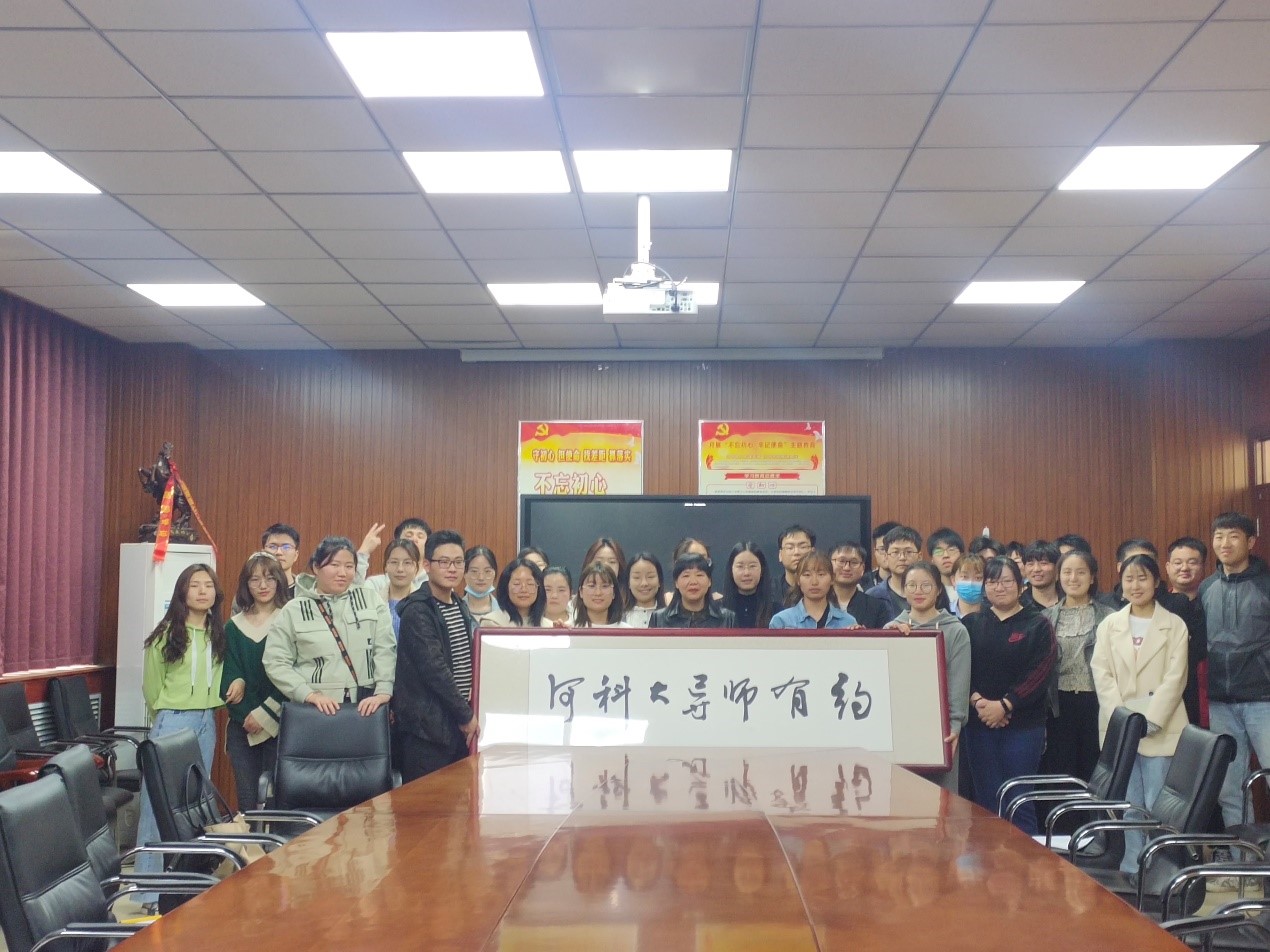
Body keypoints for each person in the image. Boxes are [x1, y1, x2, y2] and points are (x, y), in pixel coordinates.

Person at [1091, 554, 1189, 876]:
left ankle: (1162, 871)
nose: (1136, 585)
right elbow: (1101, 673)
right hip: (1121, 728)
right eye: (1129, 579)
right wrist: (1123, 720)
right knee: (1130, 804)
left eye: (1143, 578)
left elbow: (1176, 678)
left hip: (1161, 727)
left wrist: (1150, 721)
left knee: (1159, 804)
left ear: (1156, 582)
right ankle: (1133, 868)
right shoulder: (1109, 625)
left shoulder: (1174, 625)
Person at [134, 563, 228, 892]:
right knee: (156, 802)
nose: (202, 591)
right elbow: (151, 687)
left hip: (206, 720)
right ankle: (147, 886)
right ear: (182, 592)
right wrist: (166, 715)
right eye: (195, 585)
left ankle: (188, 878)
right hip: (173, 719)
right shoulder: (166, 633)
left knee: (195, 801)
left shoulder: (219, 633)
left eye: (208, 585)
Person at [962, 557, 1057, 834]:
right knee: (986, 801)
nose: (999, 587)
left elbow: (1040, 672)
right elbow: (960, 669)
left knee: (1019, 800)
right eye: (992, 581)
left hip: (1023, 726)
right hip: (979, 724)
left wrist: (1005, 705)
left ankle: (1026, 859)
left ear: (1020, 586)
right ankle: (989, 858)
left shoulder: (1038, 624)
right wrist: (979, 702)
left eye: (1006, 581)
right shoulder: (971, 623)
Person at [263, 536, 395, 716]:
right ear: (316, 567)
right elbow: (275, 661)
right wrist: (307, 694)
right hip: (314, 709)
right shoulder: (294, 609)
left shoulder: (371, 599)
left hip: (365, 707)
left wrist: (383, 691)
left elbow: (385, 648)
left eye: (349, 566)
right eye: (334, 565)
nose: (342, 573)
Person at [1200, 512, 1270, 832]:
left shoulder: (1266, 584)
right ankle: (1242, 859)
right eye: (1219, 536)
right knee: (1230, 789)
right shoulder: (1206, 588)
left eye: (1233, 536)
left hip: (1263, 699)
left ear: (1250, 542)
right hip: (1220, 702)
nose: (1224, 543)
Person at [394, 530, 480, 781]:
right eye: (443, 562)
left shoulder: (459, 604)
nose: (452, 568)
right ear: (427, 565)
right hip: (427, 731)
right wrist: (465, 715)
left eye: (458, 562)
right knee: (427, 802)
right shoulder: (418, 610)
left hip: (456, 727)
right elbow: (434, 669)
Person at [883, 560, 971, 793]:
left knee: (940, 800)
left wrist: (954, 726)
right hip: (899, 729)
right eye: (911, 585)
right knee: (901, 797)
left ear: (939, 590)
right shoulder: (891, 629)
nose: (918, 591)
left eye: (926, 585)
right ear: (903, 590)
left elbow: (959, 683)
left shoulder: (956, 630)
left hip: (941, 729)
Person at [1040, 550, 1114, 784]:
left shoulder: (1110, 617)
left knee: (1094, 771)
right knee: (1061, 772)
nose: (1073, 578)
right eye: (1067, 572)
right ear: (1058, 576)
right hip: (1058, 706)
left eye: (1080, 572)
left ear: (1092, 577)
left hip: (1097, 702)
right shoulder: (1044, 618)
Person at [221, 552, 288, 813]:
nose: (263, 585)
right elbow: (228, 670)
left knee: (276, 800)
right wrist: (237, 684)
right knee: (248, 800)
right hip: (243, 726)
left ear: (279, 581)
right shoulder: (233, 627)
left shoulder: (289, 621)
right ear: (245, 584)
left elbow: (293, 674)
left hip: (281, 724)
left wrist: (265, 714)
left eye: (270, 578)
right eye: (255, 579)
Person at [1167, 536, 1210, 725]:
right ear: (1168, 567)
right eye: (1178, 563)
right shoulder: (1158, 606)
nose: (1184, 568)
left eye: (1192, 562)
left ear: (1203, 566)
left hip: (1207, 692)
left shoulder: (1211, 601)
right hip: (1169, 693)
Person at [771, 550, 857, 628]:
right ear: (798, 580)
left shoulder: (848, 622)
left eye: (821, 574)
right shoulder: (782, 621)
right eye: (807, 575)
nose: (814, 582)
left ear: (832, 578)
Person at [650, 554, 737, 628]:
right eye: (686, 576)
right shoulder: (658, 618)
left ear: (709, 581)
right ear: (676, 583)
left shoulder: (728, 619)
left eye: (699, 575)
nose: (693, 582)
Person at [829, 542, 891, 629]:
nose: (847, 568)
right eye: (841, 561)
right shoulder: (817, 601)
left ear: (863, 568)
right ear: (829, 564)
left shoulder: (877, 607)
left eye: (854, 562)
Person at [867, 525, 922, 623]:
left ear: (919, 556)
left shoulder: (931, 593)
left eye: (908, 552)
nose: (902, 557)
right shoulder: (872, 596)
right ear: (886, 557)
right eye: (895, 552)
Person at [718, 542, 774, 629]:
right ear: (731, 570)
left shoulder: (776, 611)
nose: (746, 573)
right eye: (740, 566)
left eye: (752, 566)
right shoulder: (718, 611)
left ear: (762, 570)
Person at [380, 539, 422, 638]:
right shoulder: (374, 601)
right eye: (394, 562)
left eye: (407, 563)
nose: (400, 569)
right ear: (386, 566)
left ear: (416, 568)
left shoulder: (424, 604)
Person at [488, 558, 547, 627]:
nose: (524, 590)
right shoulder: (492, 622)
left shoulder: (549, 626)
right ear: (506, 587)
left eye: (530, 584)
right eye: (517, 584)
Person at [572, 562, 629, 628]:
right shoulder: (568, 629)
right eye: (591, 586)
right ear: (581, 592)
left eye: (605, 586)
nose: (598, 593)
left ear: (614, 592)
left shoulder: (627, 631)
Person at [774, 525, 816, 608]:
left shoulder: (823, 587)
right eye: (790, 548)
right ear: (780, 555)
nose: (796, 552)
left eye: (802, 547)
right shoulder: (770, 590)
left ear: (813, 552)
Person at [926, 528, 965, 614]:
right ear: (932, 559)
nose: (946, 555)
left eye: (951, 550)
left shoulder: (970, 588)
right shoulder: (929, 592)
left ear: (961, 555)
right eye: (938, 551)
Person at [462, 545, 502, 627]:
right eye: (474, 571)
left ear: (494, 574)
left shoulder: (504, 612)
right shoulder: (455, 611)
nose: (481, 578)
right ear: (464, 574)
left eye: (487, 571)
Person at [622, 553, 664, 628]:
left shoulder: (671, 617)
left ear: (659, 581)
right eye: (637, 577)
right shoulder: (617, 618)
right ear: (628, 583)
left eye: (650, 577)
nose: (644, 583)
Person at [261, 523, 301, 599]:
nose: (279, 552)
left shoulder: (305, 593)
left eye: (286, 547)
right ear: (263, 553)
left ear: (296, 555)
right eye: (272, 547)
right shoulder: (253, 590)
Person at [1020, 540, 1061, 612]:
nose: (1036, 569)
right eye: (1030, 564)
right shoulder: (1020, 605)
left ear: (1057, 566)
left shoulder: (1069, 600)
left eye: (1043, 563)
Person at [863, 521, 901, 591]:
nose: (887, 554)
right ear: (875, 552)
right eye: (883, 549)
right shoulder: (861, 584)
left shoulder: (915, 582)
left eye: (894, 550)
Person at [953, 553, 986, 619]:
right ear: (953, 580)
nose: (971, 583)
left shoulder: (992, 615)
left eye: (978, 578)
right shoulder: (943, 613)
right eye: (964, 577)